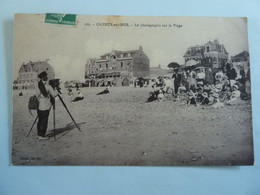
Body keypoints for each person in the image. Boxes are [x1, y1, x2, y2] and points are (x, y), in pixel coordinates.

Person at [36, 71, 58, 140]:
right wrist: (57, 89)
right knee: (44, 121)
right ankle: (42, 136)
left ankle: (39, 134)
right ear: (43, 78)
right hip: (46, 106)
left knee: (40, 120)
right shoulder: (48, 86)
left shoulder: (38, 85)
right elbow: (54, 94)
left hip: (39, 106)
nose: (47, 77)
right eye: (46, 76)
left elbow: (37, 94)